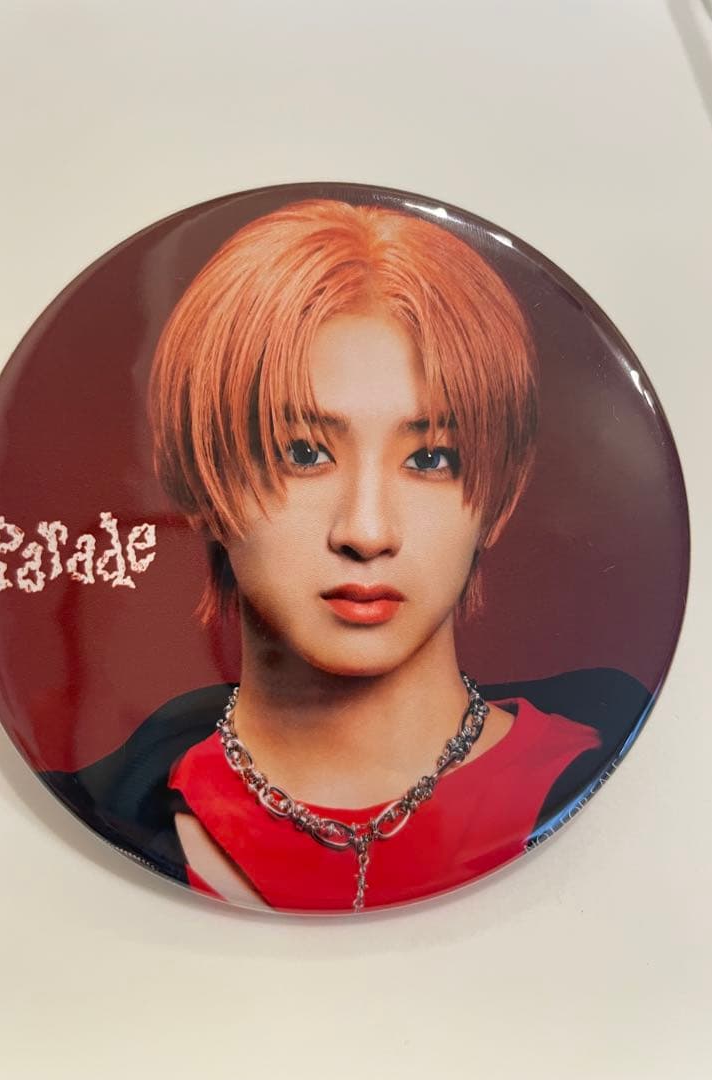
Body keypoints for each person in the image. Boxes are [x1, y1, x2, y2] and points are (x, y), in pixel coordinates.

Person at [43, 199, 650, 913]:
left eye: (431, 457)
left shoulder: (623, 777)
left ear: (500, 498)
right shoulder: (94, 816)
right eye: (303, 453)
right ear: (201, 482)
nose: (365, 531)